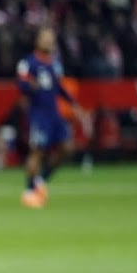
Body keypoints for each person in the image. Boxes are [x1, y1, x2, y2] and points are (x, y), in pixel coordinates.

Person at [17, 27, 86, 208]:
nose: (49, 42)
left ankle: (41, 180)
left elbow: (59, 87)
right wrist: (30, 85)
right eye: (45, 38)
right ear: (37, 41)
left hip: (55, 113)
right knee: (37, 152)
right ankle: (29, 191)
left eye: (51, 39)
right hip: (38, 114)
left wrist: (73, 104)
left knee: (67, 148)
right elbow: (21, 85)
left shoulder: (55, 63)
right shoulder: (28, 63)